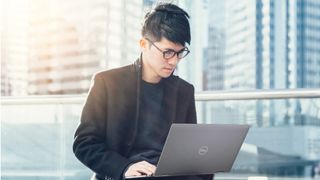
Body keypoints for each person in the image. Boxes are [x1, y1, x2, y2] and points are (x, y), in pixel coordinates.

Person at [73, 3, 213, 180]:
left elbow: (189, 149)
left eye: (180, 53)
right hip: (124, 175)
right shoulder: (107, 83)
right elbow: (84, 144)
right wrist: (124, 168)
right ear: (143, 44)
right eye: (168, 52)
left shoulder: (184, 91)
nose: (174, 61)